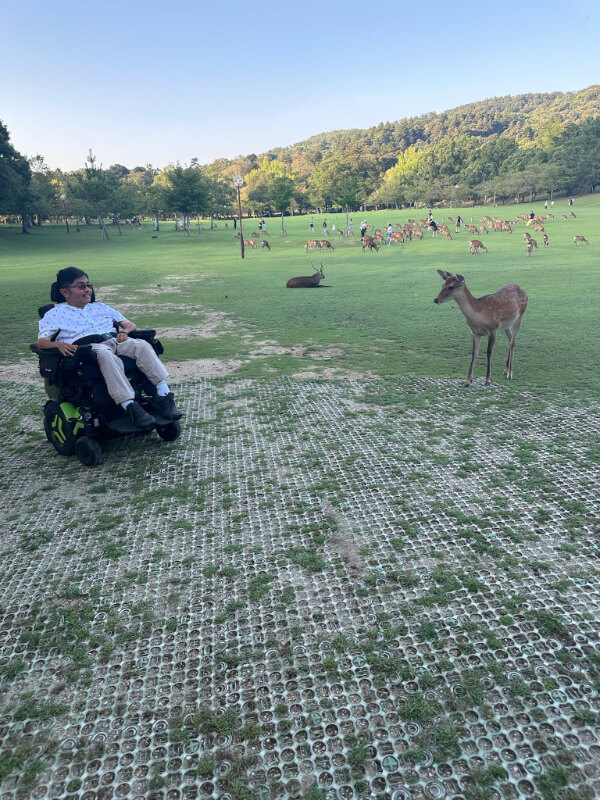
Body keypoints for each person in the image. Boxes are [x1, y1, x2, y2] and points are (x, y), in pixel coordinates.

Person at [36, 267, 182, 429]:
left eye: (88, 285)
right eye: (81, 286)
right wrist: (58, 344)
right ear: (65, 292)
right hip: (88, 349)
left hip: (114, 339)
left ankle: (163, 395)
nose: (87, 290)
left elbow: (129, 325)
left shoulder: (100, 307)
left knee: (141, 345)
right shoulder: (54, 314)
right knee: (105, 355)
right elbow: (42, 342)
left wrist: (124, 333)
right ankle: (129, 405)